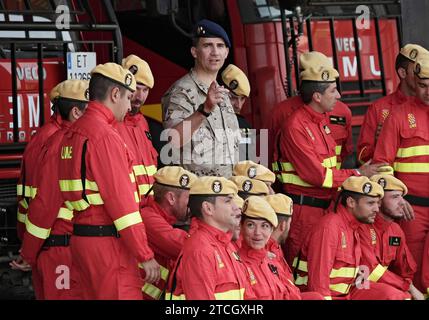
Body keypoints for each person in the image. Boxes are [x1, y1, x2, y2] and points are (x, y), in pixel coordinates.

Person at [56, 62, 160, 299]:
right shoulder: (104, 136)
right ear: (115, 94)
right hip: (108, 246)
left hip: (82, 240)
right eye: (128, 97)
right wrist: (145, 254)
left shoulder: (73, 132)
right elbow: (122, 206)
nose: (128, 106)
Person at [277, 61, 387, 266]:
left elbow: (334, 165)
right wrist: (357, 173)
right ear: (317, 97)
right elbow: (319, 175)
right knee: (303, 265)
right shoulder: (296, 126)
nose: (338, 96)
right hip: (305, 211)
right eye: (333, 90)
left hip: (325, 206)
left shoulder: (321, 122)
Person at [10, 80, 89, 300]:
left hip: (53, 244)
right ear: (75, 112)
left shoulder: (51, 137)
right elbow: (44, 203)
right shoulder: (60, 144)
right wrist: (29, 251)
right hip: (58, 245)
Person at [296, 176, 411, 300]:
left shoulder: (353, 226)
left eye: (377, 203)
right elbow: (318, 284)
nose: (377, 209)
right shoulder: (330, 227)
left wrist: (392, 292)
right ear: (351, 202)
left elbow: (359, 276)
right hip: (324, 296)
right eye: (370, 203)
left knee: (399, 296)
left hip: (347, 293)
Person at [373, 54, 429, 295]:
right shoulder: (398, 115)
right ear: (415, 83)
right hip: (412, 209)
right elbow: (382, 163)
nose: (428, 91)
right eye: (424, 85)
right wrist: (396, 199)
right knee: (412, 267)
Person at [162, 19, 240, 177]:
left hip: (227, 193)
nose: (215, 52)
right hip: (197, 195)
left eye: (220, 46)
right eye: (207, 46)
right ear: (194, 52)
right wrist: (204, 110)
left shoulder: (222, 94)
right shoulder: (181, 91)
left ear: (226, 53)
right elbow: (173, 139)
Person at [166, 176, 254, 300]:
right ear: (208, 208)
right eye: (228, 201)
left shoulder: (227, 245)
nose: (236, 207)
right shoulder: (200, 249)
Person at [268, 51, 353, 175]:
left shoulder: (343, 112)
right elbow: (264, 152)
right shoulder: (279, 112)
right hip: (295, 191)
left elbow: (347, 153)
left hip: (335, 185)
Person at [357, 44, 429, 164]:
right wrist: (378, 142)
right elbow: (361, 158)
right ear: (402, 73)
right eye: (417, 67)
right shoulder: (378, 109)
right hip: (390, 181)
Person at [358, 174, 424, 300]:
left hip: (383, 286)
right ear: (379, 201)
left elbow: (406, 269)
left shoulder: (395, 230)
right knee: (397, 296)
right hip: (360, 284)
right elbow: (370, 271)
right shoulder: (362, 226)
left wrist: (407, 286)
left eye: (402, 197)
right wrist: (408, 287)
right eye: (395, 197)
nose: (402, 203)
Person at [16, 79, 67, 239]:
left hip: (42, 232)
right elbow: (45, 198)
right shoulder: (57, 139)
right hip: (54, 234)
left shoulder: (46, 134)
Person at [140, 166, 197, 300]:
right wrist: (200, 216)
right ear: (171, 198)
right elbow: (188, 248)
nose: (193, 204)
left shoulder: (162, 219)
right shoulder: (148, 218)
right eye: (190, 198)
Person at [115, 54, 159, 206]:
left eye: (145, 90)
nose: (140, 97)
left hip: (148, 208)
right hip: (127, 210)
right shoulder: (111, 123)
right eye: (136, 89)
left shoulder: (143, 122)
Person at [221, 64, 255, 162]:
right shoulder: (201, 117)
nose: (238, 105)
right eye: (232, 97)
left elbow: (247, 164)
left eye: (242, 99)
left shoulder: (244, 127)